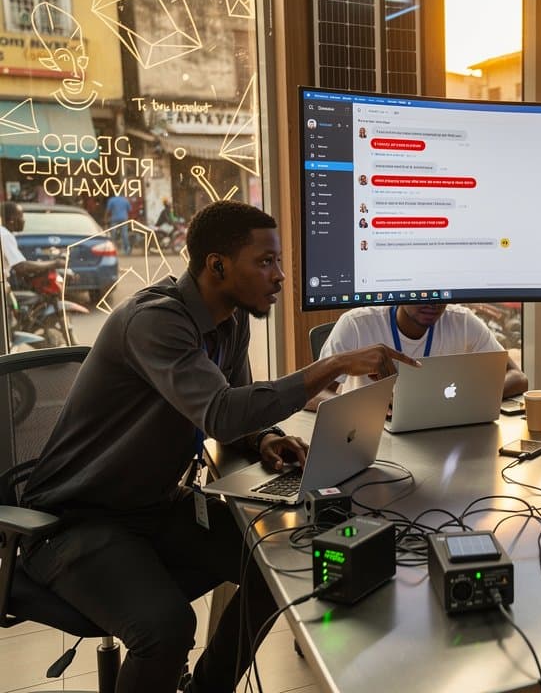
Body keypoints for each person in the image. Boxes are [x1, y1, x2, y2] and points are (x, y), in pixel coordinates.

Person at [20, 200, 417, 693]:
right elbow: (221, 412)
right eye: (265, 261)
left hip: (153, 506)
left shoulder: (230, 319)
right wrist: (331, 367)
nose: (279, 276)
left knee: (282, 567)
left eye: (279, 262)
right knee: (165, 630)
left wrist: (265, 437)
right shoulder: (154, 321)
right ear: (217, 265)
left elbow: (232, 415)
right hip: (75, 520)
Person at [315, 302, 529, 402]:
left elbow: (517, 377)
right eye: (422, 292)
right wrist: (361, 409)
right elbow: (312, 394)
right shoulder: (357, 324)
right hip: (372, 441)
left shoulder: (462, 321)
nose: (433, 303)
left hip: (440, 438)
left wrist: (465, 397)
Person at [1, 201, 64, 284]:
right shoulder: (5, 235)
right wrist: (55, 263)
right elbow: (21, 267)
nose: (24, 220)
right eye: (21, 216)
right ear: (12, 220)